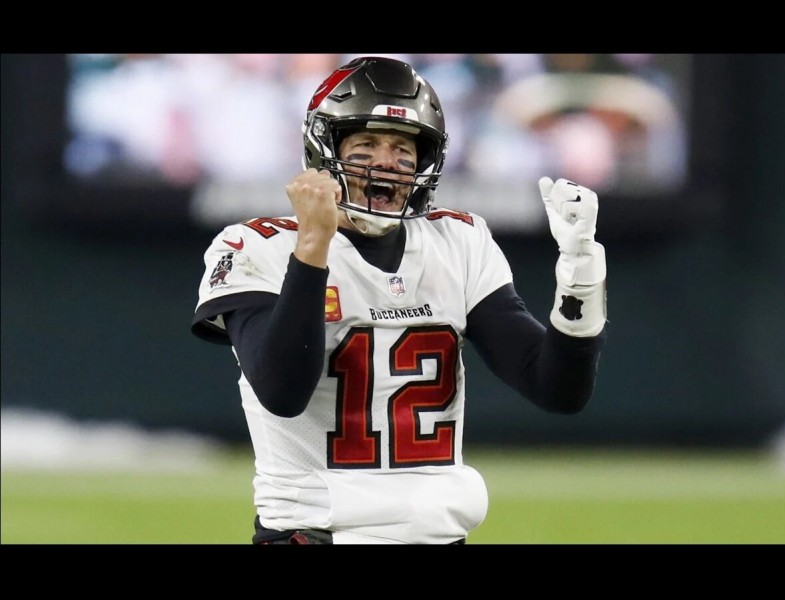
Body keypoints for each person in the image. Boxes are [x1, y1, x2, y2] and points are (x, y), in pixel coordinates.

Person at [191, 56, 608, 545]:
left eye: (403, 149)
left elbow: (556, 389)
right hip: (317, 533)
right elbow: (282, 392)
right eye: (366, 145)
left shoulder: (458, 242)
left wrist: (580, 276)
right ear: (324, 152)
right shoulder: (256, 246)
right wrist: (313, 248)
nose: (387, 162)